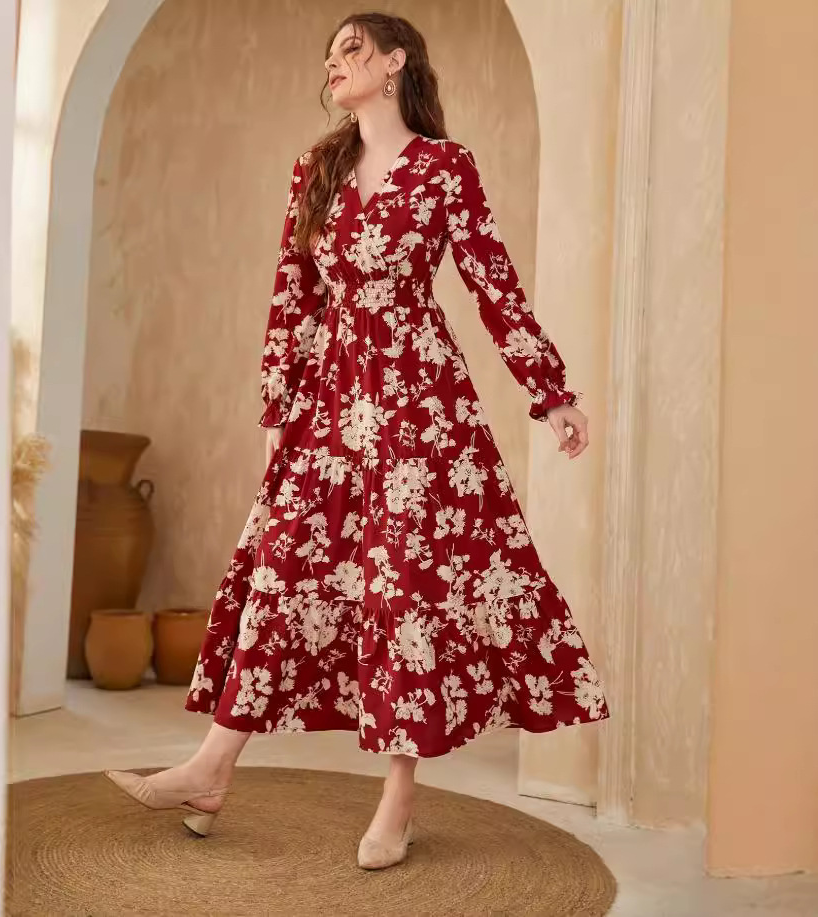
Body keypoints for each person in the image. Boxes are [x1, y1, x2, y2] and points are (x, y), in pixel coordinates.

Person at [105, 11, 610, 870]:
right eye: (329, 55)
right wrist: (277, 410)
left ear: (394, 61)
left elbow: (492, 283)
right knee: (284, 569)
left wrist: (549, 391)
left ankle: (397, 801)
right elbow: (292, 295)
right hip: (330, 396)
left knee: (404, 585)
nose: (333, 65)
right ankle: (211, 767)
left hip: (420, 399)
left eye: (351, 50)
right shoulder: (318, 168)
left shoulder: (445, 168)